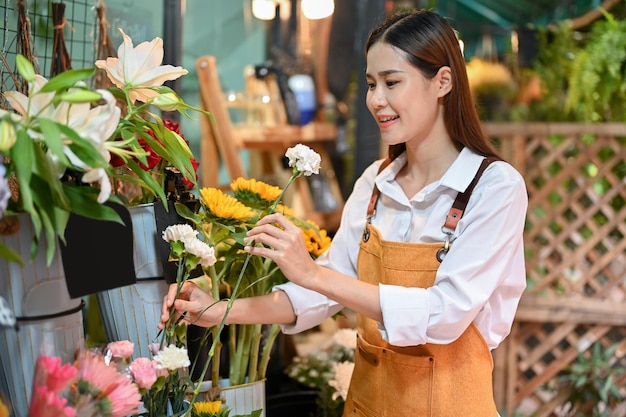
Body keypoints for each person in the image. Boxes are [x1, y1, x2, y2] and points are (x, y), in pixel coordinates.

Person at [161, 9, 527, 416]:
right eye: (371, 84)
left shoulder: (495, 188)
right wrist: (218, 313)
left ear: (442, 81)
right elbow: (318, 294)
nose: (376, 100)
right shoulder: (375, 182)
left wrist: (315, 274)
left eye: (392, 82)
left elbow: (444, 315)